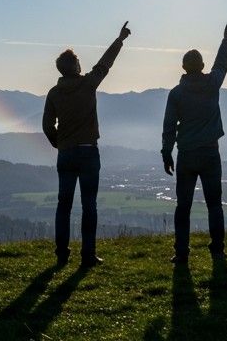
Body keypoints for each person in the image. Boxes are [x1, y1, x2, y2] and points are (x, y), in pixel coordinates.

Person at [42, 20, 130, 268]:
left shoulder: (54, 93)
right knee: (89, 205)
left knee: (64, 205)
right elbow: (106, 63)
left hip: (66, 153)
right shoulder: (88, 83)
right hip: (89, 153)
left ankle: (62, 254)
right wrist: (120, 39)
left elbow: (47, 125)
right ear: (76, 66)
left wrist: (58, 143)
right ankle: (88, 255)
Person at [161, 22, 227, 263]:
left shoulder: (176, 93)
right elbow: (221, 65)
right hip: (211, 153)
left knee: (183, 206)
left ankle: (181, 252)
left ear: (183, 67)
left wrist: (166, 152)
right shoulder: (212, 84)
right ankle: (218, 250)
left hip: (187, 155)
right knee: (215, 205)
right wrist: (225, 41)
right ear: (202, 66)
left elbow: (169, 126)